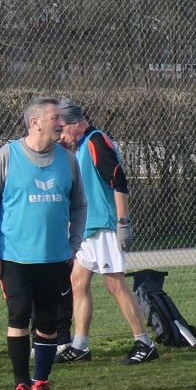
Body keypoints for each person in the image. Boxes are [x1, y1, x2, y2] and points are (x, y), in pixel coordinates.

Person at [0, 96, 87, 390]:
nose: (62, 123)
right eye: (55, 118)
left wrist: (74, 243)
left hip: (55, 258)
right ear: (35, 122)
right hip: (15, 257)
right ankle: (21, 386)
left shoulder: (67, 160)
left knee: (48, 323)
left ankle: (41, 382)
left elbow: (79, 205)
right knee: (19, 316)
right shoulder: (7, 157)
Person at [53, 99, 159, 365]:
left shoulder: (96, 141)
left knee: (114, 284)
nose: (61, 135)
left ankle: (144, 343)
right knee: (78, 282)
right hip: (88, 228)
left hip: (104, 226)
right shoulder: (80, 147)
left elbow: (118, 180)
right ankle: (80, 346)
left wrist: (123, 222)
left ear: (76, 123)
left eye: (63, 128)